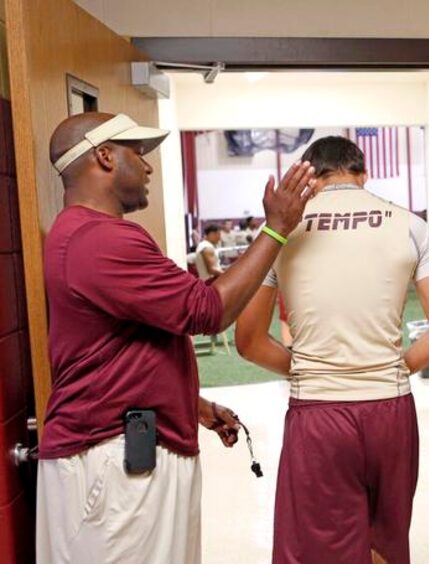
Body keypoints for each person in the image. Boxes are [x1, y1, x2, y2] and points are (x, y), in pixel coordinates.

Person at [37, 112, 315, 564]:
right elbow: (208, 311)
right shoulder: (100, 240)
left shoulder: (86, 235)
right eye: (138, 153)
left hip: (123, 455)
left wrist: (192, 404)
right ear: (104, 156)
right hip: (113, 467)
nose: (147, 167)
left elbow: (123, 348)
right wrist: (276, 227)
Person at [235, 136, 429, 564]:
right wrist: (395, 367)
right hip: (390, 409)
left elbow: (248, 341)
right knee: (387, 545)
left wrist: (309, 370)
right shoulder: (411, 224)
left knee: (319, 551)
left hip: (319, 412)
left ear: (309, 180)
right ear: (363, 175)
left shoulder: (283, 232)